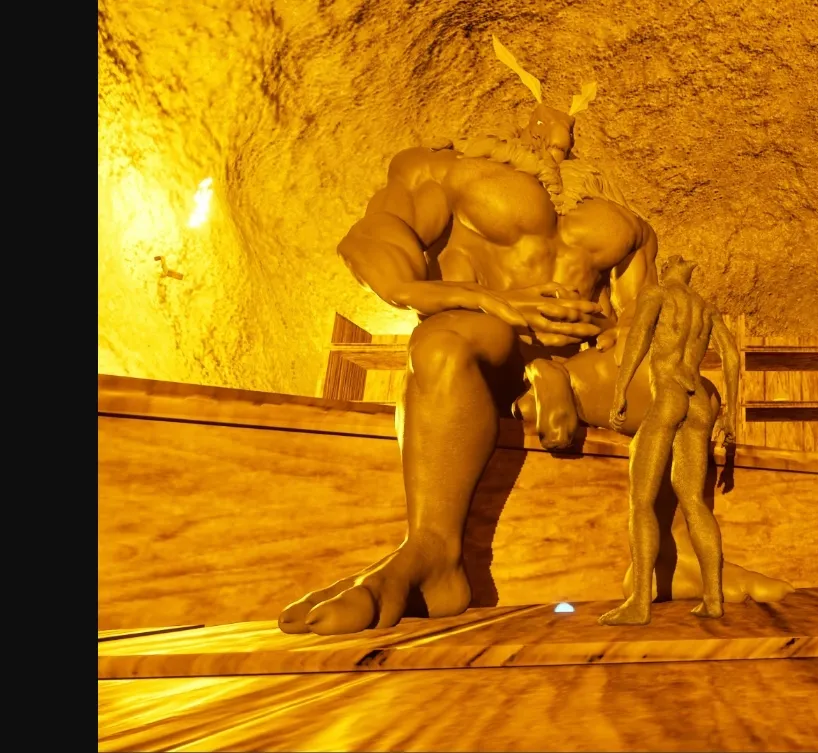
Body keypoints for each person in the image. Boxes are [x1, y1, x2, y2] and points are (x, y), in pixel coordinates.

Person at [279, 39, 788, 636]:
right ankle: (434, 553)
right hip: (489, 347)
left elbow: (637, 316)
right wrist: (485, 300)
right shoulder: (446, 169)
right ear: (522, 119)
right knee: (442, 346)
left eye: (569, 127)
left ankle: (673, 558)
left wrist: (617, 345)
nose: (559, 135)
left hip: (583, 370)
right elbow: (373, 238)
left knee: (685, 388)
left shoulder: (619, 218)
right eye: (547, 121)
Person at [598, 256, 736, 625]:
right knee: (694, 501)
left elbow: (640, 336)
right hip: (700, 403)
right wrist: (731, 413)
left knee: (641, 500)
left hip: (670, 394)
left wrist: (620, 389)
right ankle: (713, 598)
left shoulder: (657, 294)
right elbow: (732, 357)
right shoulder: (706, 309)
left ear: (669, 268)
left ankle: (640, 603)